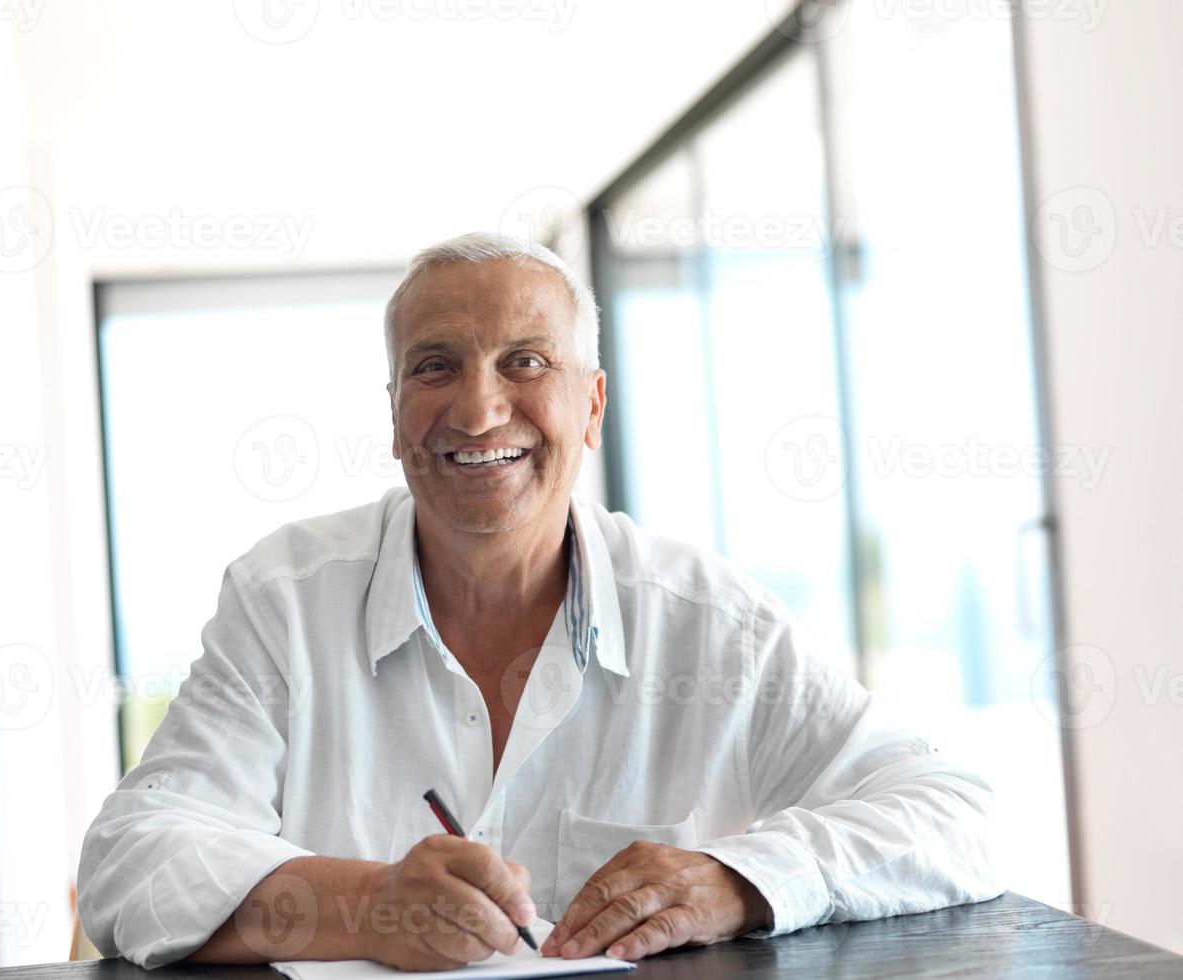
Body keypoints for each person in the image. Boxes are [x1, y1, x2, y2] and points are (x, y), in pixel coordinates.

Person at [77, 232, 1003, 970]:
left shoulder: (709, 621)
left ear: (592, 406)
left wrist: (738, 877)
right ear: (394, 408)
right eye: (435, 367)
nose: (479, 412)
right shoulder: (282, 601)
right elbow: (130, 861)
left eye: (524, 363)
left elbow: (956, 814)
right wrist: (366, 905)